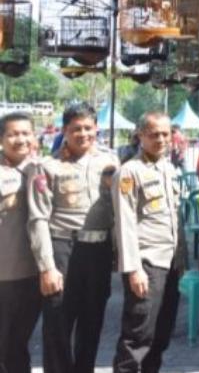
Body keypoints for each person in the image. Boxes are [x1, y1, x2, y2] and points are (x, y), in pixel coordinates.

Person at [27, 102, 119, 373]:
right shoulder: (47, 167)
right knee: (58, 324)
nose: (83, 134)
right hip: (62, 250)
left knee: (93, 322)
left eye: (88, 128)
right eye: (76, 128)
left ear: (96, 128)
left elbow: (118, 212)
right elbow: (38, 219)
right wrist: (47, 267)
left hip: (98, 251)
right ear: (65, 130)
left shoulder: (110, 163)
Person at [113, 112, 183, 373]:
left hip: (170, 263)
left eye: (166, 134)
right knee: (137, 336)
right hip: (147, 264)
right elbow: (125, 223)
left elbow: (176, 220)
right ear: (140, 135)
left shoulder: (168, 168)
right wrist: (133, 269)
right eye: (154, 134)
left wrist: (182, 260)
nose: (161, 139)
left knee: (161, 334)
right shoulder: (130, 172)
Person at [0, 113, 42, 373]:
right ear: (2, 138)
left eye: (26, 133)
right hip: (4, 275)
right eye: (13, 134)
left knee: (20, 342)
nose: (21, 139)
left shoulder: (42, 169)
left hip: (35, 273)